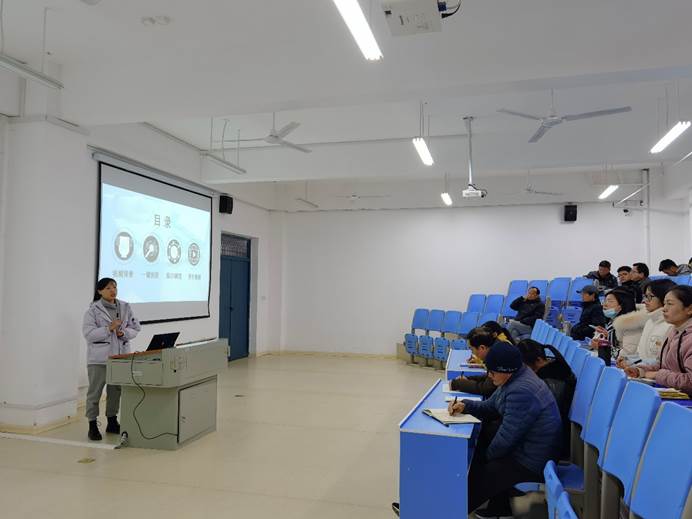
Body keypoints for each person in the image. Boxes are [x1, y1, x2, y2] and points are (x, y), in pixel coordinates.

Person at [449, 342, 562, 518]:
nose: (489, 375)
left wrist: (485, 459)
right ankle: (499, 507)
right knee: (480, 449)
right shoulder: (514, 376)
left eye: (492, 372)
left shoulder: (522, 391)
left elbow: (506, 440)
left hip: (533, 461)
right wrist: (465, 406)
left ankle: (449, 511)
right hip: (525, 449)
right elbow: (490, 406)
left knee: (484, 473)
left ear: (506, 371)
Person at [82, 278, 141, 441]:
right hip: (99, 359)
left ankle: (112, 421)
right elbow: (89, 334)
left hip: (119, 357)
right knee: (94, 393)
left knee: (115, 391)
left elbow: (135, 328)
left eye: (114, 287)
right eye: (108, 288)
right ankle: (92, 425)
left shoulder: (125, 307)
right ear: (100, 291)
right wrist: (108, 328)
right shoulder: (93, 311)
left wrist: (124, 333)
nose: (113, 290)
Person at [626, 285, 692, 395]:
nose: (664, 308)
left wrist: (657, 375)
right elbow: (663, 365)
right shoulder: (673, 331)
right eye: (664, 303)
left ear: (689, 309)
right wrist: (641, 370)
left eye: (670, 304)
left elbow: (690, 381)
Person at [517, 339, 576, 458]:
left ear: (539, 360)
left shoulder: (552, 381)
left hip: (548, 444)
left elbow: (543, 415)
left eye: (527, 367)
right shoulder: (555, 369)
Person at [617, 279, 676, 368]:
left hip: (655, 375)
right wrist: (629, 361)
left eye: (650, 296)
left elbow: (666, 363)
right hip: (642, 373)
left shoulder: (671, 326)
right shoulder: (649, 322)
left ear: (664, 298)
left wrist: (637, 367)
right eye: (645, 296)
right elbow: (642, 355)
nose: (645, 300)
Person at [590, 288, 637, 365]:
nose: (604, 304)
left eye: (610, 301)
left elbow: (626, 356)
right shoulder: (613, 321)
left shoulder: (630, 326)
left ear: (621, 306)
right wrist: (606, 335)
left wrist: (601, 347)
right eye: (605, 301)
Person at [449, 328, 498, 397]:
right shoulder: (494, 352)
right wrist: (468, 379)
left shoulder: (496, 358)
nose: (472, 353)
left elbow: (486, 388)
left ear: (482, 348)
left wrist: (458, 384)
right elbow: (488, 378)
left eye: (472, 349)